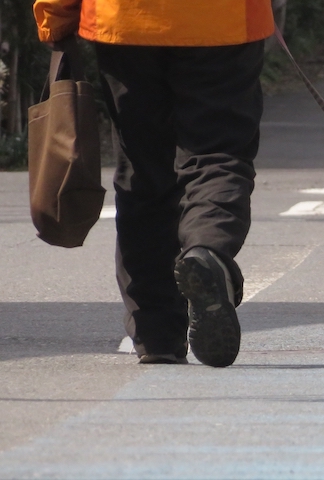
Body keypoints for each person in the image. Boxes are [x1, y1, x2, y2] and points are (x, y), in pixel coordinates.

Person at [33, 0, 275, 367]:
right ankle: (207, 247)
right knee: (217, 152)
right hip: (224, 18)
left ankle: (156, 333)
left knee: (142, 168)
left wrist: (55, 16)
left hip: (126, 19)